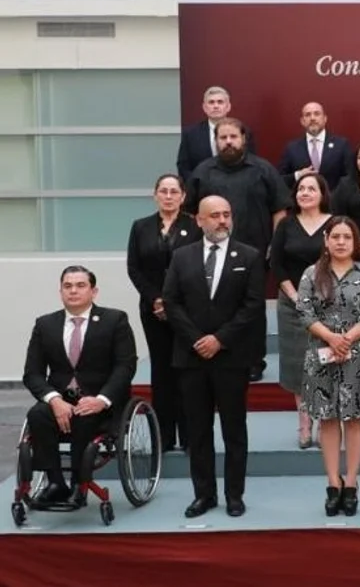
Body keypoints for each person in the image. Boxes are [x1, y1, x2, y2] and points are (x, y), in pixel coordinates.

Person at [163, 195, 266, 519]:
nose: (222, 220)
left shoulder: (248, 256)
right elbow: (171, 301)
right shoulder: (181, 257)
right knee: (198, 431)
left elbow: (252, 306)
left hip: (231, 357)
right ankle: (203, 495)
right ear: (200, 220)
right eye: (215, 216)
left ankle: (234, 495)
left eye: (227, 214)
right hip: (192, 358)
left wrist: (220, 339)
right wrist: (197, 339)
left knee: (234, 430)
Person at [185, 117, 291, 383]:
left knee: (252, 308)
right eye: (223, 137)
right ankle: (219, 352)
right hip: (211, 253)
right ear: (216, 141)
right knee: (217, 305)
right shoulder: (203, 171)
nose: (228, 142)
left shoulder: (264, 169)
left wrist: (274, 246)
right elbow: (189, 213)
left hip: (255, 253)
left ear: (243, 139)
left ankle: (254, 361)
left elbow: (280, 210)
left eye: (233, 136)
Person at [21, 267, 136, 507]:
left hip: (101, 400)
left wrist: (101, 399)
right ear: (60, 291)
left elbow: (125, 366)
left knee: (85, 416)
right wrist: (54, 400)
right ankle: (55, 483)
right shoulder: (45, 324)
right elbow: (32, 373)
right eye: (68, 286)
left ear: (93, 291)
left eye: (80, 285)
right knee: (37, 414)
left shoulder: (115, 320)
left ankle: (78, 483)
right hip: (61, 399)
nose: (73, 291)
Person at [296, 216, 360, 517]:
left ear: (355, 241)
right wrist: (331, 338)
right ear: (326, 239)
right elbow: (305, 313)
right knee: (328, 419)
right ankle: (333, 482)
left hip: (357, 357)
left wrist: (345, 339)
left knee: (355, 418)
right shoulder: (311, 274)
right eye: (335, 236)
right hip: (321, 354)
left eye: (347, 237)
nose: (341, 242)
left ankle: (351, 482)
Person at [126, 173, 201, 452]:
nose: (168, 196)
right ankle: (164, 436)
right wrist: (156, 299)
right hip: (152, 309)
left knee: (186, 370)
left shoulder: (195, 226)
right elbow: (134, 268)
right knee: (161, 371)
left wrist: (171, 303)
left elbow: (196, 267)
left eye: (174, 192)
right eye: (163, 191)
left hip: (186, 311)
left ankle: (189, 436)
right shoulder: (140, 227)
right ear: (155, 194)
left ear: (183, 196)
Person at [269, 173, 331, 449]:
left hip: (329, 304)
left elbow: (345, 259)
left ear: (322, 193)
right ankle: (304, 424)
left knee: (325, 363)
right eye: (301, 189)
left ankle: (323, 422)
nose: (305, 193)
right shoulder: (285, 225)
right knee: (297, 366)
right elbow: (277, 264)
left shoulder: (335, 223)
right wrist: (296, 297)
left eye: (311, 188)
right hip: (292, 303)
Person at [176, 86, 257, 183]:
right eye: (211, 102)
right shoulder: (190, 134)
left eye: (220, 102)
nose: (216, 106)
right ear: (204, 107)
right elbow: (184, 167)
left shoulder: (244, 131)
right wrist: (197, 186)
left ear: (228, 107)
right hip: (202, 190)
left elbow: (251, 163)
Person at [279, 102, 353, 191]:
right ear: (302, 121)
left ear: (325, 118)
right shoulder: (291, 148)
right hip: (303, 202)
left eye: (316, 114)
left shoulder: (341, 145)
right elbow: (279, 180)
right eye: (308, 115)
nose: (312, 118)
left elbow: (350, 178)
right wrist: (298, 175)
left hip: (335, 202)